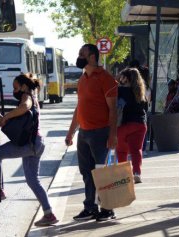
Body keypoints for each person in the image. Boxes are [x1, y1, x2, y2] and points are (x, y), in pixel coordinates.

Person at [65, 44, 118, 222]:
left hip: (100, 132)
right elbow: (79, 108)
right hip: (84, 133)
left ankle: (108, 209)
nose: (79, 57)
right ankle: (90, 207)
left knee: (101, 172)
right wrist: (71, 132)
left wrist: (113, 135)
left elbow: (113, 110)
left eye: (82, 54)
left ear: (93, 57)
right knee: (86, 172)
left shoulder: (105, 78)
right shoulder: (82, 79)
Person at [0, 74, 58, 226]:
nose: (14, 90)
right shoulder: (33, 97)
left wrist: (6, 117)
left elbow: (24, 107)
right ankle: (49, 214)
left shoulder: (27, 97)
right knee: (33, 181)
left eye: (16, 87)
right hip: (37, 143)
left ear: (24, 87)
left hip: (30, 145)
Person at [116, 68, 148, 184]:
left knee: (121, 151)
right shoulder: (141, 92)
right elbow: (145, 109)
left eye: (122, 77)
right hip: (140, 124)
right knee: (136, 150)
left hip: (123, 125)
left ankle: (123, 176)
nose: (120, 78)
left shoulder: (119, 90)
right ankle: (137, 173)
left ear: (126, 78)